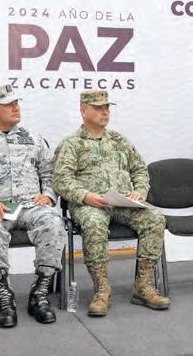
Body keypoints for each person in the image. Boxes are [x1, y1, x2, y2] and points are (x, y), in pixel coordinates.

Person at [0, 83, 67, 328]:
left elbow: (49, 171)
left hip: (30, 206)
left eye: (17, 103)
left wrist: (49, 195)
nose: (16, 108)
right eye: (9, 105)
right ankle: (4, 297)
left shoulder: (33, 138)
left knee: (53, 221)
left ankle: (40, 292)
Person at [53, 91, 170, 317]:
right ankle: (102, 289)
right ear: (83, 110)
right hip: (90, 204)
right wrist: (85, 196)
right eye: (98, 107)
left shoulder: (119, 140)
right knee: (94, 224)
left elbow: (140, 169)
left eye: (107, 107)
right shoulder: (71, 144)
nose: (105, 112)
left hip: (122, 202)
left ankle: (143, 286)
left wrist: (139, 191)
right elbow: (61, 180)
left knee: (155, 218)